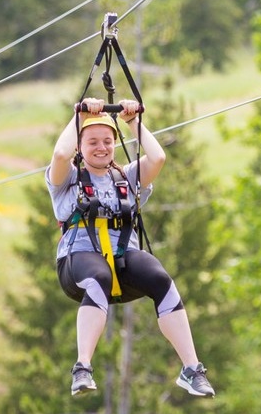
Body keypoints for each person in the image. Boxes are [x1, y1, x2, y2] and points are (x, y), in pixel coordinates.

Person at [46, 98, 215, 398]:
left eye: (108, 142)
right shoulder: (66, 180)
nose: (101, 148)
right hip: (78, 262)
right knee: (97, 277)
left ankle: (191, 368)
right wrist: (80, 117)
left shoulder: (125, 177)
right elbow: (60, 153)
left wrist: (132, 121)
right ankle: (82, 367)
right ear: (80, 147)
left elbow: (158, 158)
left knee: (160, 278)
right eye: (93, 142)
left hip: (122, 262)